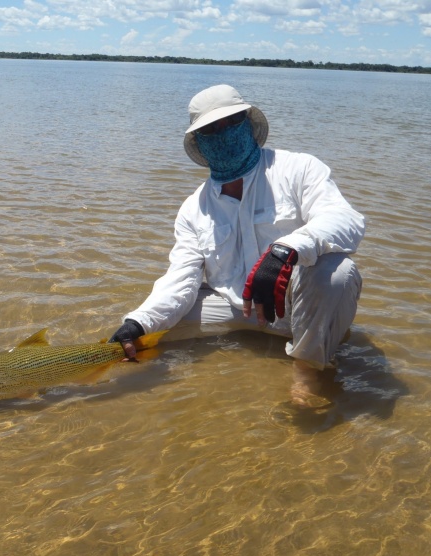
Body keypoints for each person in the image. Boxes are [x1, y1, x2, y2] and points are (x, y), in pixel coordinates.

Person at [109, 84, 365, 406]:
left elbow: (346, 220)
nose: (224, 134)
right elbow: (181, 279)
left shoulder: (298, 169)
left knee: (337, 272)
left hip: (296, 309)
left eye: (232, 122)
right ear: (199, 142)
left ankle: (308, 372)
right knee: (144, 337)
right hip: (232, 307)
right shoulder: (193, 208)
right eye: (211, 129)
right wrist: (138, 321)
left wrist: (285, 250)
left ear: (248, 122)